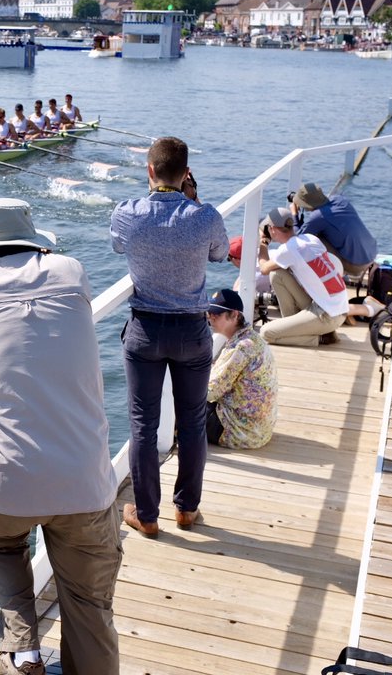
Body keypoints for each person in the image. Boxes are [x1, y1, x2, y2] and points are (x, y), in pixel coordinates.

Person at [0, 198, 122, 675]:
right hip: (85, 483)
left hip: (6, 488)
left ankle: (23, 651)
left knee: (5, 542)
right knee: (88, 605)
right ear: (37, 243)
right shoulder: (71, 271)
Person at [110, 136, 228, 537]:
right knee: (192, 421)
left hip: (145, 330)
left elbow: (115, 245)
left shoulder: (128, 213)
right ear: (186, 174)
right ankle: (186, 510)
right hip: (193, 331)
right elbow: (219, 254)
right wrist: (193, 203)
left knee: (144, 425)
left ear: (150, 170)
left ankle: (146, 515)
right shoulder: (204, 215)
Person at [256, 207, 348, 347]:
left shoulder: (288, 250)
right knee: (277, 274)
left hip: (327, 316)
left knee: (265, 333)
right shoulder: (311, 239)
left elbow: (263, 269)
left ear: (272, 229)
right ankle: (292, 326)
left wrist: (263, 242)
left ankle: (321, 339)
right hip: (336, 308)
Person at [205, 288, 278, 449]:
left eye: (217, 314)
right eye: (210, 313)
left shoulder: (240, 348)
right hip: (260, 429)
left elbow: (211, 392)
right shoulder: (251, 338)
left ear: (235, 315)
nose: (211, 318)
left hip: (240, 431)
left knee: (183, 402)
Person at [289, 182, 377, 280]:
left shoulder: (318, 216)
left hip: (357, 266)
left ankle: (338, 272)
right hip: (372, 254)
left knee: (314, 238)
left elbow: (297, 239)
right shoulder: (340, 200)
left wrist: (294, 215)